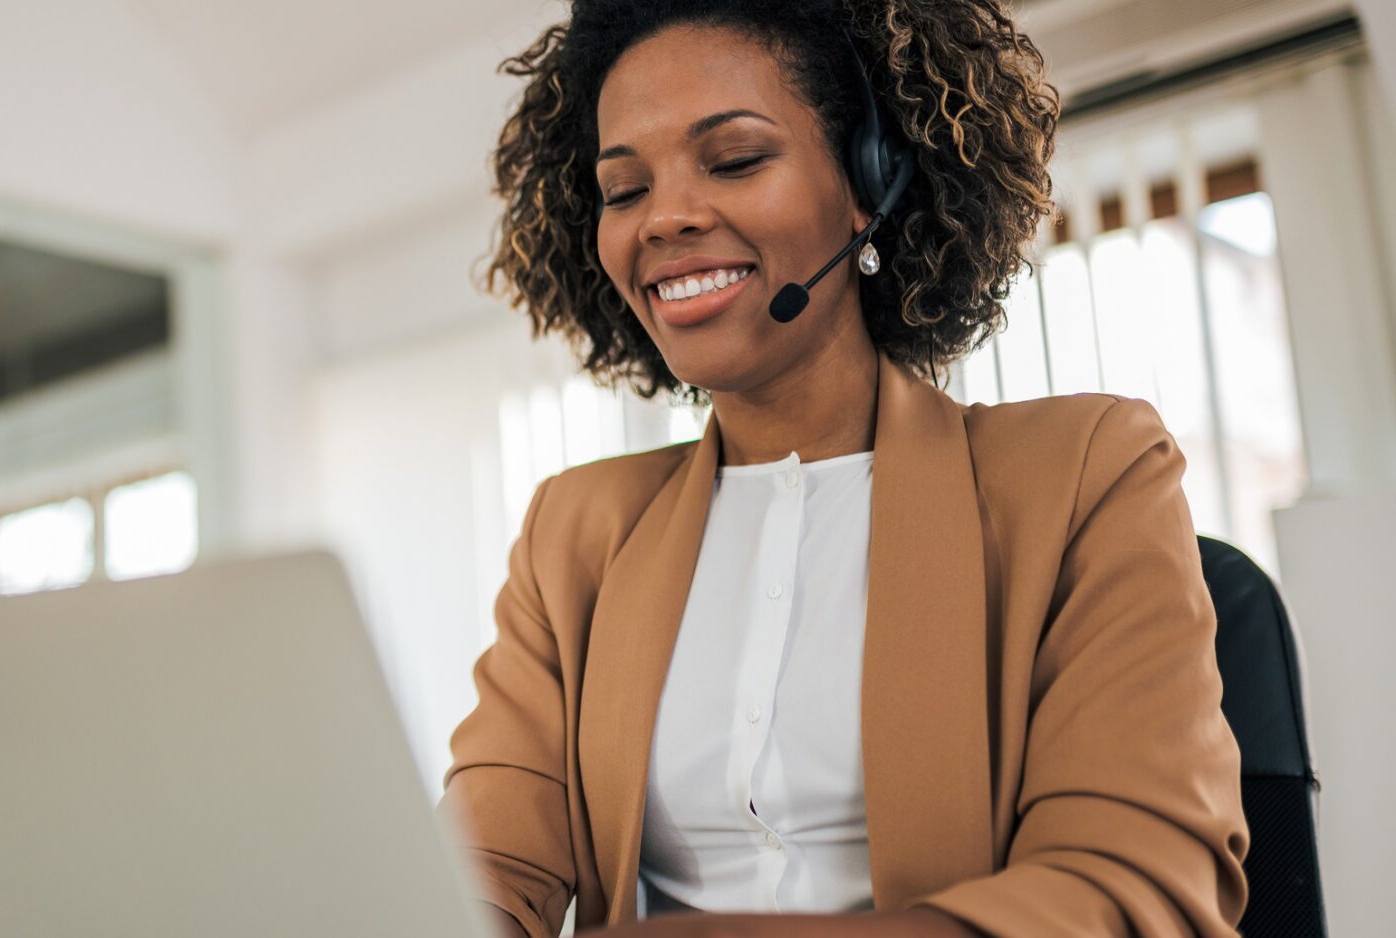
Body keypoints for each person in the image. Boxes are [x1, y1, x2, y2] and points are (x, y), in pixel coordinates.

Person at [440, 1, 1249, 936]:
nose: (664, 218)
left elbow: (1136, 890)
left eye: (735, 160)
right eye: (624, 191)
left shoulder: (1085, 472)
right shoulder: (575, 530)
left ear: (872, 182)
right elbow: (485, 868)